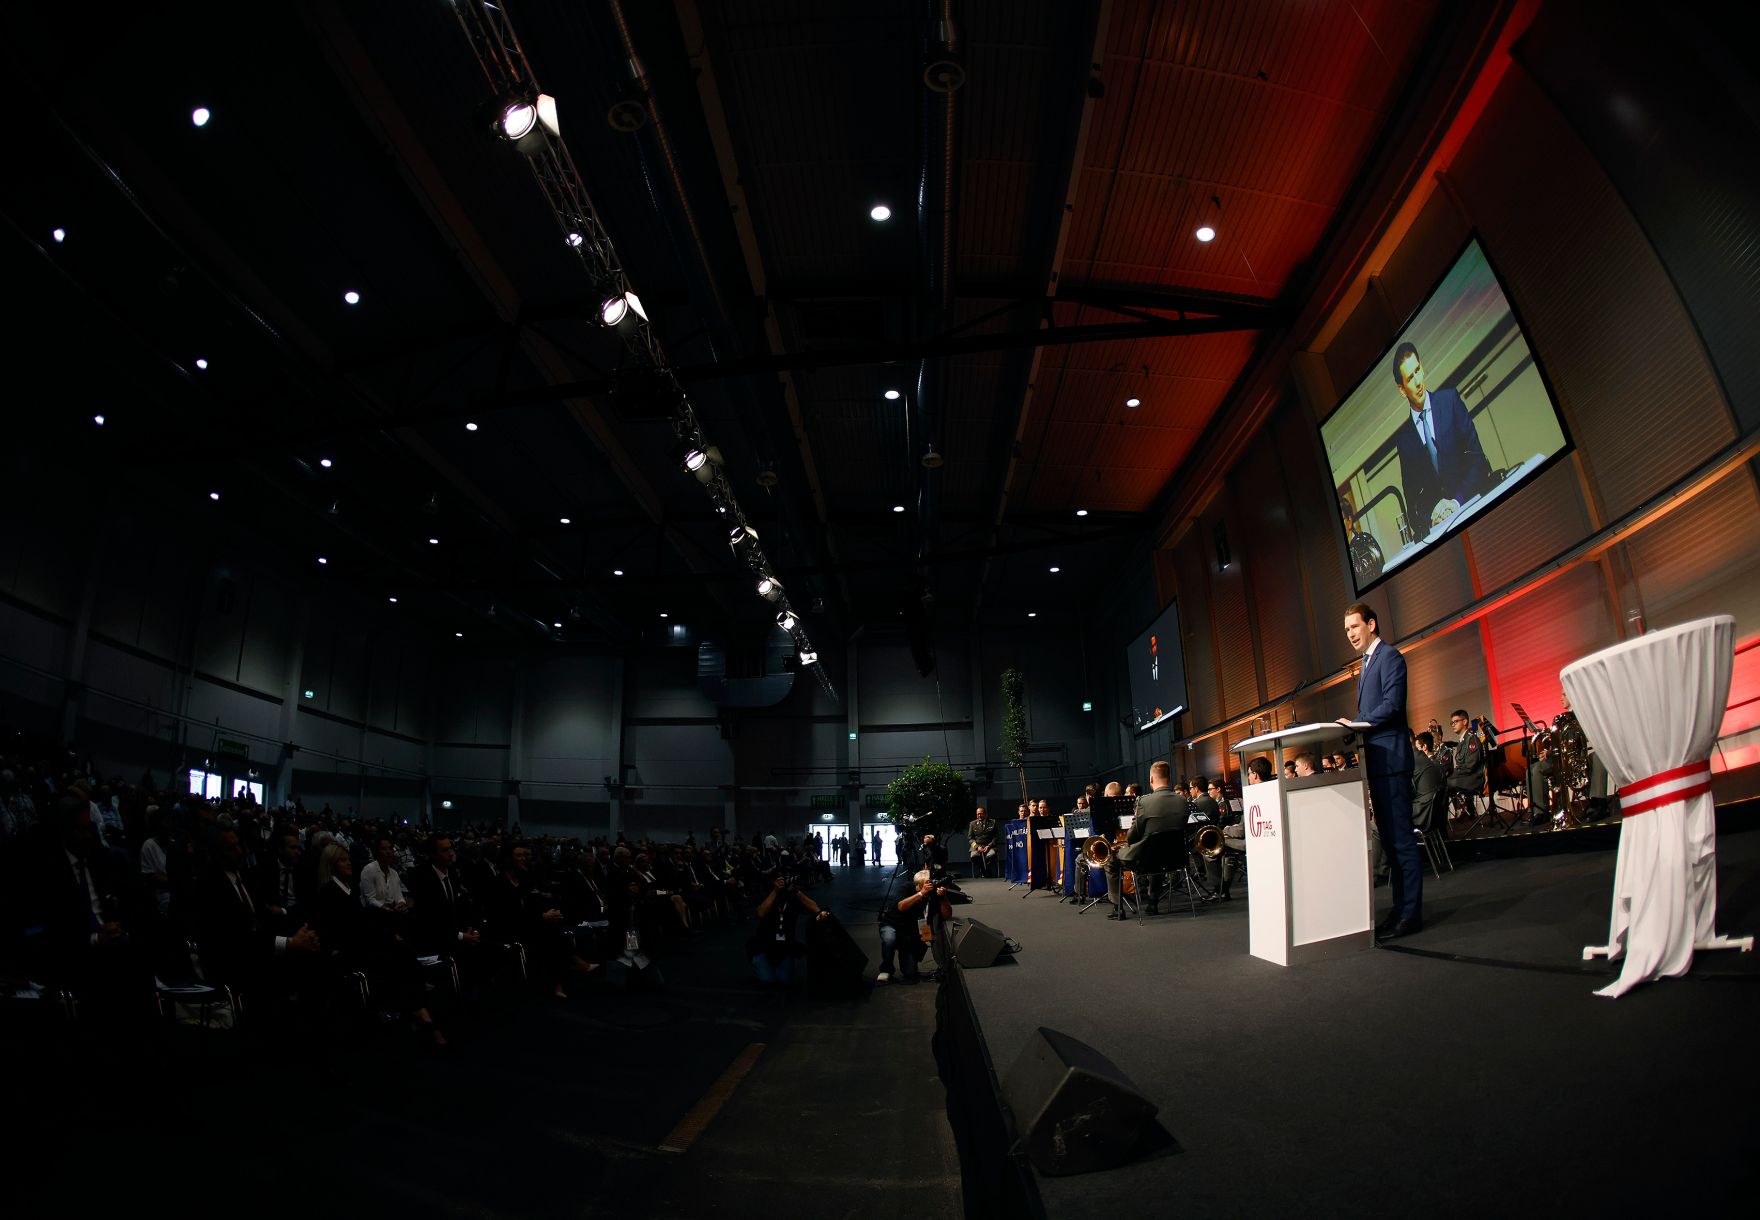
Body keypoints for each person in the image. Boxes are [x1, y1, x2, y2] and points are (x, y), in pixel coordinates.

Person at [1339, 602, 1422, 939]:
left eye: (1355, 628)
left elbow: (1391, 704)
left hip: (1392, 761)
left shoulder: (1390, 657)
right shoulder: (1366, 664)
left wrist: (1358, 722)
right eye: (1346, 631)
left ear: (1371, 624)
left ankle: (1411, 914)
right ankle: (1400, 909)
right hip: (1377, 762)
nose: (1351, 635)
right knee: (1389, 842)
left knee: (1402, 841)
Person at [1390, 341, 1494, 536]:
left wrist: (1456, 502)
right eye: (1410, 378)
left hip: (1477, 509)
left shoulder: (1450, 401)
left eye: (1418, 370)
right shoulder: (1404, 441)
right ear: (1402, 390)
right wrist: (1432, 516)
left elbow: (1478, 459)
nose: (1418, 382)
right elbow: (1412, 505)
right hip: (1445, 533)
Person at [1104, 760, 1187, 919]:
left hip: (1146, 859)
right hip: (1176, 858)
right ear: (1169, 777)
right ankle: (1152, 902)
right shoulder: (1183, 801)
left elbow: (1132, 836)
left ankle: (1117, 907)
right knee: (1157, 850)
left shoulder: (1145, 802)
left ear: (1151, 779)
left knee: (1110, 861)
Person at [748, 871, 828, 987]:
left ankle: (777, 966)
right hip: (764, 945)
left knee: (783, 980)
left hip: (785, 946)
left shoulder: (792, 897)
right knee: (766, 979)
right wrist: (775, 891)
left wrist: (797, 891)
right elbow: (761, 913)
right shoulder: (766, 894)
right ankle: (758, 962)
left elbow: (815, 908)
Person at [876, 870, 950, 984]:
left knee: (910, 974)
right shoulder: (906, 887)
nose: (931, 885)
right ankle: (886, 969)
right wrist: (921, 893)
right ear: (919, 885)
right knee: (889, 939)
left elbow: (947, 915)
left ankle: (905, 956)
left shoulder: (932, 894)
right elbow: (901, 907)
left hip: (909, 933)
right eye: (927, 883)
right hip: (892, 924)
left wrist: (944, 898)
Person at [1445, 710, 1487, 815]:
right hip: (1465, 777)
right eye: (1452, 723)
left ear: (1464, 722)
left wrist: (1452, 773)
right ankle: (1466, 809)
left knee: (1444, 783)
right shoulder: (1462, 741)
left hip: (1474, 778)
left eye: (1456, 722)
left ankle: (1463, 810)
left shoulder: (1472, 738)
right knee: (1442, 781)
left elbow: (1470, 766)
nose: (1453, 725)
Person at [967, 807, 998, 878]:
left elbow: (996, 837)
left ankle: (984, 871)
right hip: (977, 846)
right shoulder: (972, 824)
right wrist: (977, 847)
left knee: (991, 855)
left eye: (981, 814)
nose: (979, 816)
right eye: (978, 814)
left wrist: (989, 845)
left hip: (989, 845)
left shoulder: (992, 822)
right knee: (974, 856)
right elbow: (970, 838)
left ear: (985, 814)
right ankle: (985, 870)